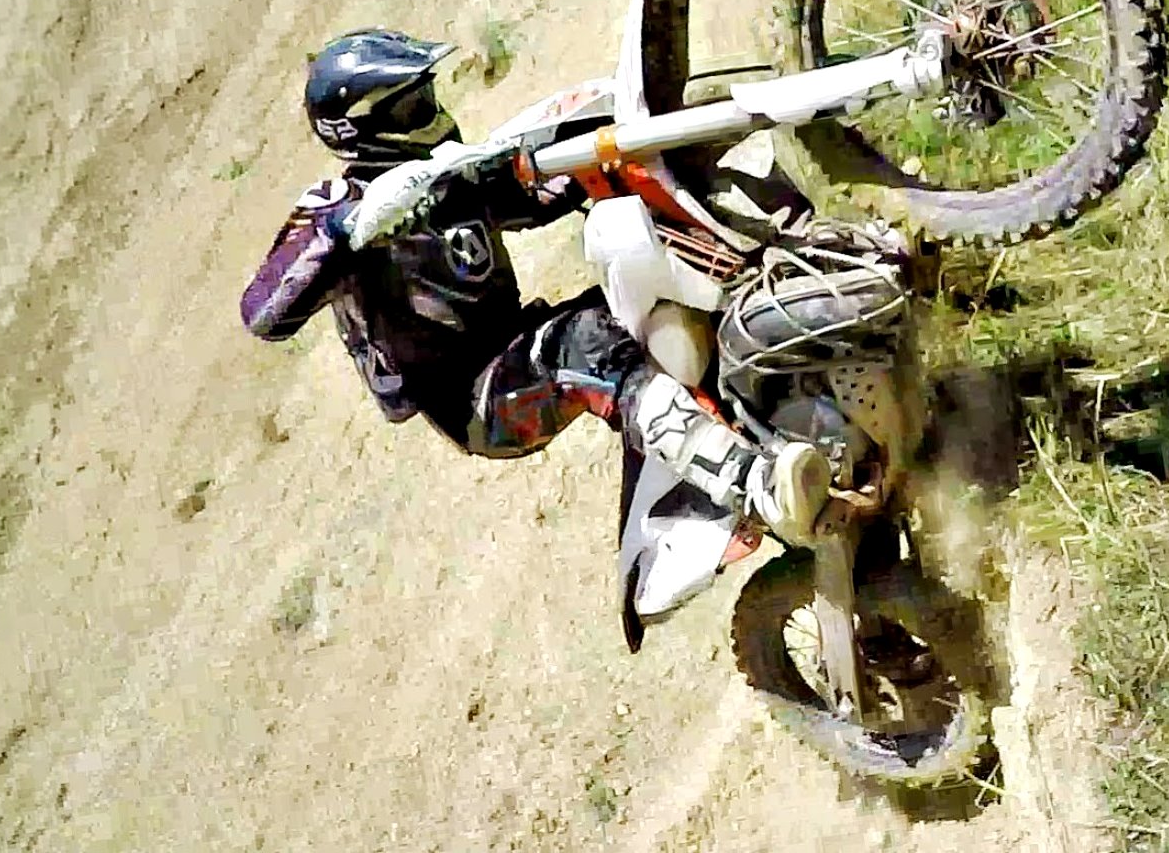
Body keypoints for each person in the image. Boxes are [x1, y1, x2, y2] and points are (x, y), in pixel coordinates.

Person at [238, 28, 829, 544]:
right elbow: (263, 312)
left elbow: (536, 191)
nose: (432, 113)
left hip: (518, 341)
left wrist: (608, 134)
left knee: (657, 286)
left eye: (427, 96)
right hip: (475, 399)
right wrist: (349, 228)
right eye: (411, 106)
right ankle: (758, 488)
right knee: (584, 341)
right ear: (361, 130)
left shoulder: (445, 180)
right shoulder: (338, 208)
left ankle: (788, 401)